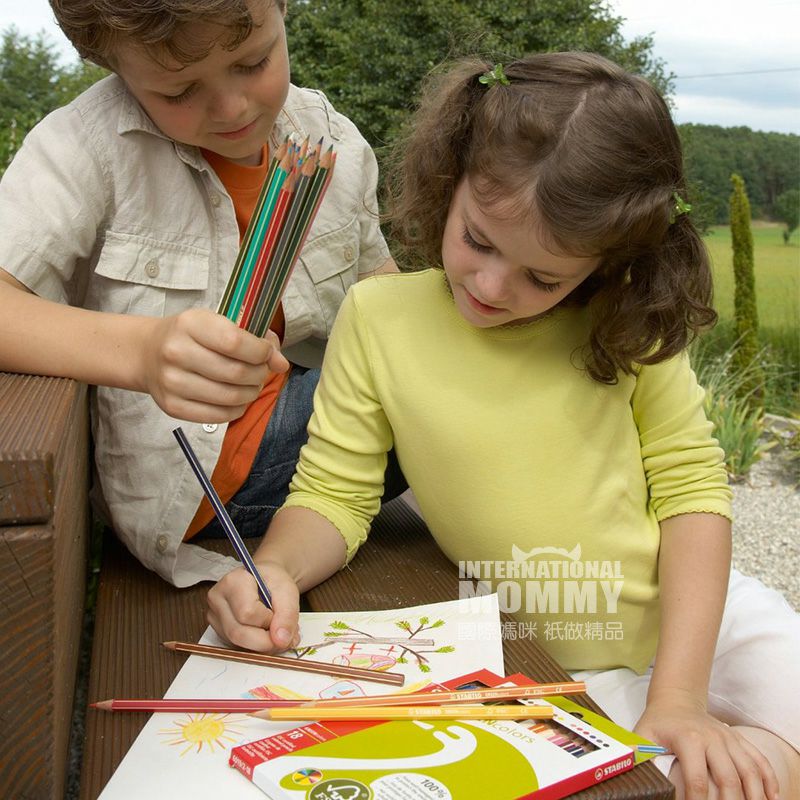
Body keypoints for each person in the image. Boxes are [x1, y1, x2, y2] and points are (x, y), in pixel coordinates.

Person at [208, 53, 800, 798]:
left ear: (609, 263)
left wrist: (680, 696)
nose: (491, 287)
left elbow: (692, 494)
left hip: (708, 622)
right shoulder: (380, 319)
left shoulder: (628, 324)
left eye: (544, 278)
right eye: (478, 241)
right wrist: (277, 571)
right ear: (449, 182)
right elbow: (334, 493)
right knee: (709, 784)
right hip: (553, 662)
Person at [0, 0, 404, 587]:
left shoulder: (330, 137)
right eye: (178, 91)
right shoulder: (84, 146)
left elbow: (383, 294)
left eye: (254, 61)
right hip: (197, 484)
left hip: (318, 426)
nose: (233, 107)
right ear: (111, 65)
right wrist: (141, 352)